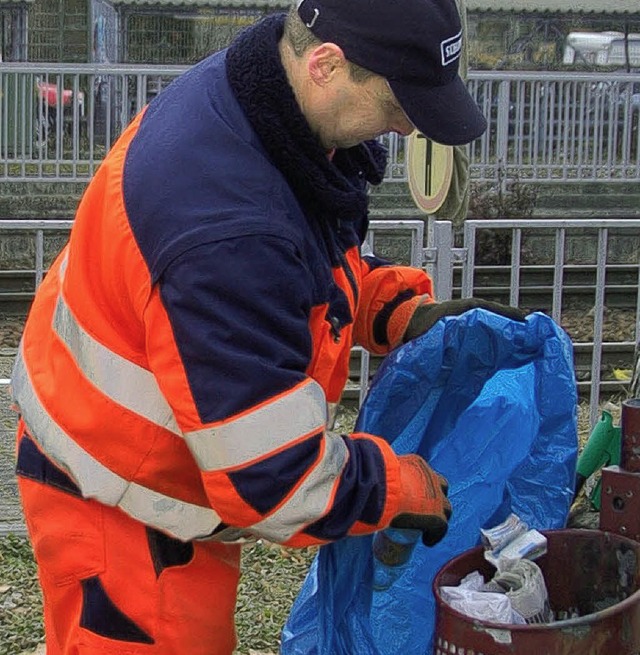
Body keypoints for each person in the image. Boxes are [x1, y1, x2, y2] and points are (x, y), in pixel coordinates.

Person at [10, 0, 525, 653]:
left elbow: (306, 265)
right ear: (326, 64)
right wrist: (398, 484)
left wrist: (393, 307)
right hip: (118, 494)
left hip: (164, 463)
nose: (403, 127)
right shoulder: (228, 225)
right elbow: (273, 479)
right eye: (398, 103)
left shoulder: (266, 110)